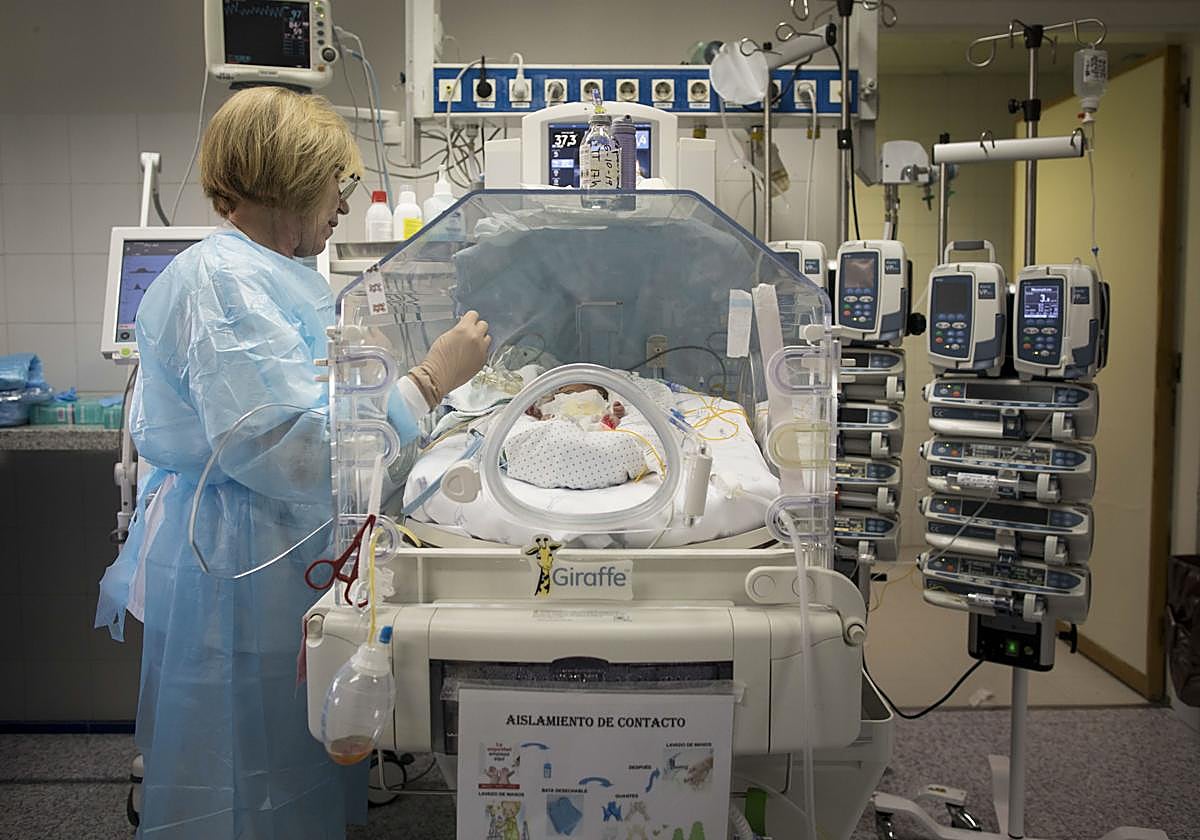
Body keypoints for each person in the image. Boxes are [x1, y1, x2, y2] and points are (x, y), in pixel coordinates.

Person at [94, 87, 490, 838]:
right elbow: (288, 447)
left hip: (279, 550)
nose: (344, 202)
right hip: (239, 562)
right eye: (335, 182)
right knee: (247, 771)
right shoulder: (225, 281)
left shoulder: (275, 275)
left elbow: (319, 407)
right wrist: (428, 381)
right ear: (290, 178)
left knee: (296, 753)